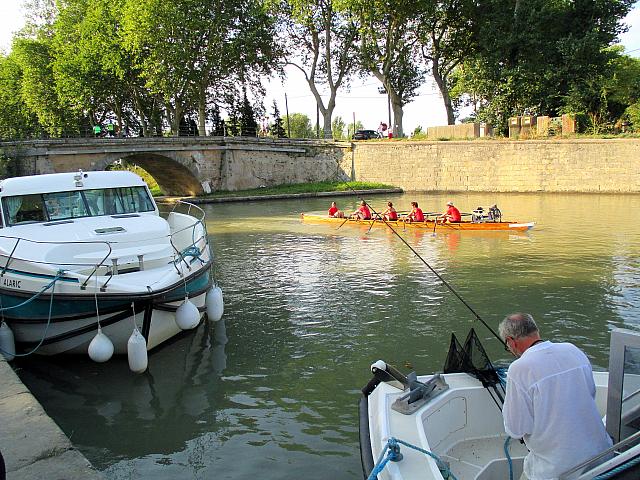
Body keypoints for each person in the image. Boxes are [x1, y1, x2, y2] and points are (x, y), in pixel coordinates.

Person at [499, 313, 613, 480]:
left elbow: (516, 429)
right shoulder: (572, 349)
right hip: (601, 456)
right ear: (535, 331)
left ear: (511, 341)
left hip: (558, 470)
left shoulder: (519, 369)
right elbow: (590, 393)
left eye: (507, 345)